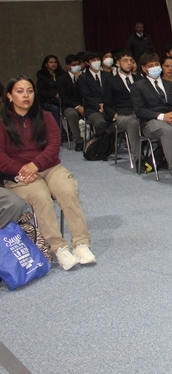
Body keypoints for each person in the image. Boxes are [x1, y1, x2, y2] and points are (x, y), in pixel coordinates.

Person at [0, 76, 96, 270]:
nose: (26, 95)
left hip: (49, 166)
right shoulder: (2, 122)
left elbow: (53, 146)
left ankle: (81, 243)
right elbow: (1, 156)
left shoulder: (45, 116)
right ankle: (58, 248)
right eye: (19, 91)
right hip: (19, 173)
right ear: (9, 96)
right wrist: (21, 170)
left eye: (29, 91)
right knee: (41, 197)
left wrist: (35, 164)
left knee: (67, 190)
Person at [131, 52, 172, 187]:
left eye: (157, 64)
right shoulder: (138, 86)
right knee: (167, 131)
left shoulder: (169, 84)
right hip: (151, 122)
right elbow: (140, 111)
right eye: (151, 65)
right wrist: (163, 117)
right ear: (144, 69)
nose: (155, 67)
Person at [103, 50, 144, 170]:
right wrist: (115, 116)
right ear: (118, 63)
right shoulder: (111, 81)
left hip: (139, 113)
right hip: (122, 115)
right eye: (125, 61)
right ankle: (139, 159)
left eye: (131, 61)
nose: (129, 63)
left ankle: (159, 157)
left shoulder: (139, 79)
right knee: (133, 123)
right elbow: (107, 104)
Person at [56, 54, 85, 151]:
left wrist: (80, 80)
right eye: (74, 64)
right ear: (68, 66)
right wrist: (77, 106)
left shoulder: (84, 77)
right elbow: (64, 98)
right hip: (69, 105)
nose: (76, 66)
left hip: (84, 103)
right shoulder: (61, 79)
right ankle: (78, 141)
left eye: (78, 64)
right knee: (72, 114)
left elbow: (87, 92)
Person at [77, 52, 110, 135]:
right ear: (87, 63)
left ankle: (112, 144)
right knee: (100, 123)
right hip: (93, 108)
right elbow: (86, 96)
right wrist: (99, 105)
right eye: (93, 60)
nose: (96, 61)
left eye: (98, 59)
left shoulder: (107, 75)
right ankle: (102, 146)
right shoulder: (83, 78)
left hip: (109, 106)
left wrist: (106, 104)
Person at [36, 54, 64, 131]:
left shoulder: (62, 74)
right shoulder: (42, 76)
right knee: (55, 109)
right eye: (51, 62)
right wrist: (54, 94)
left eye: (55, 62)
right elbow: (41, 91)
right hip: (48, 101)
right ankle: (58, 132)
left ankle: (67, 132)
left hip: (62, 100)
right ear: (46, 64)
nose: (53, 64)